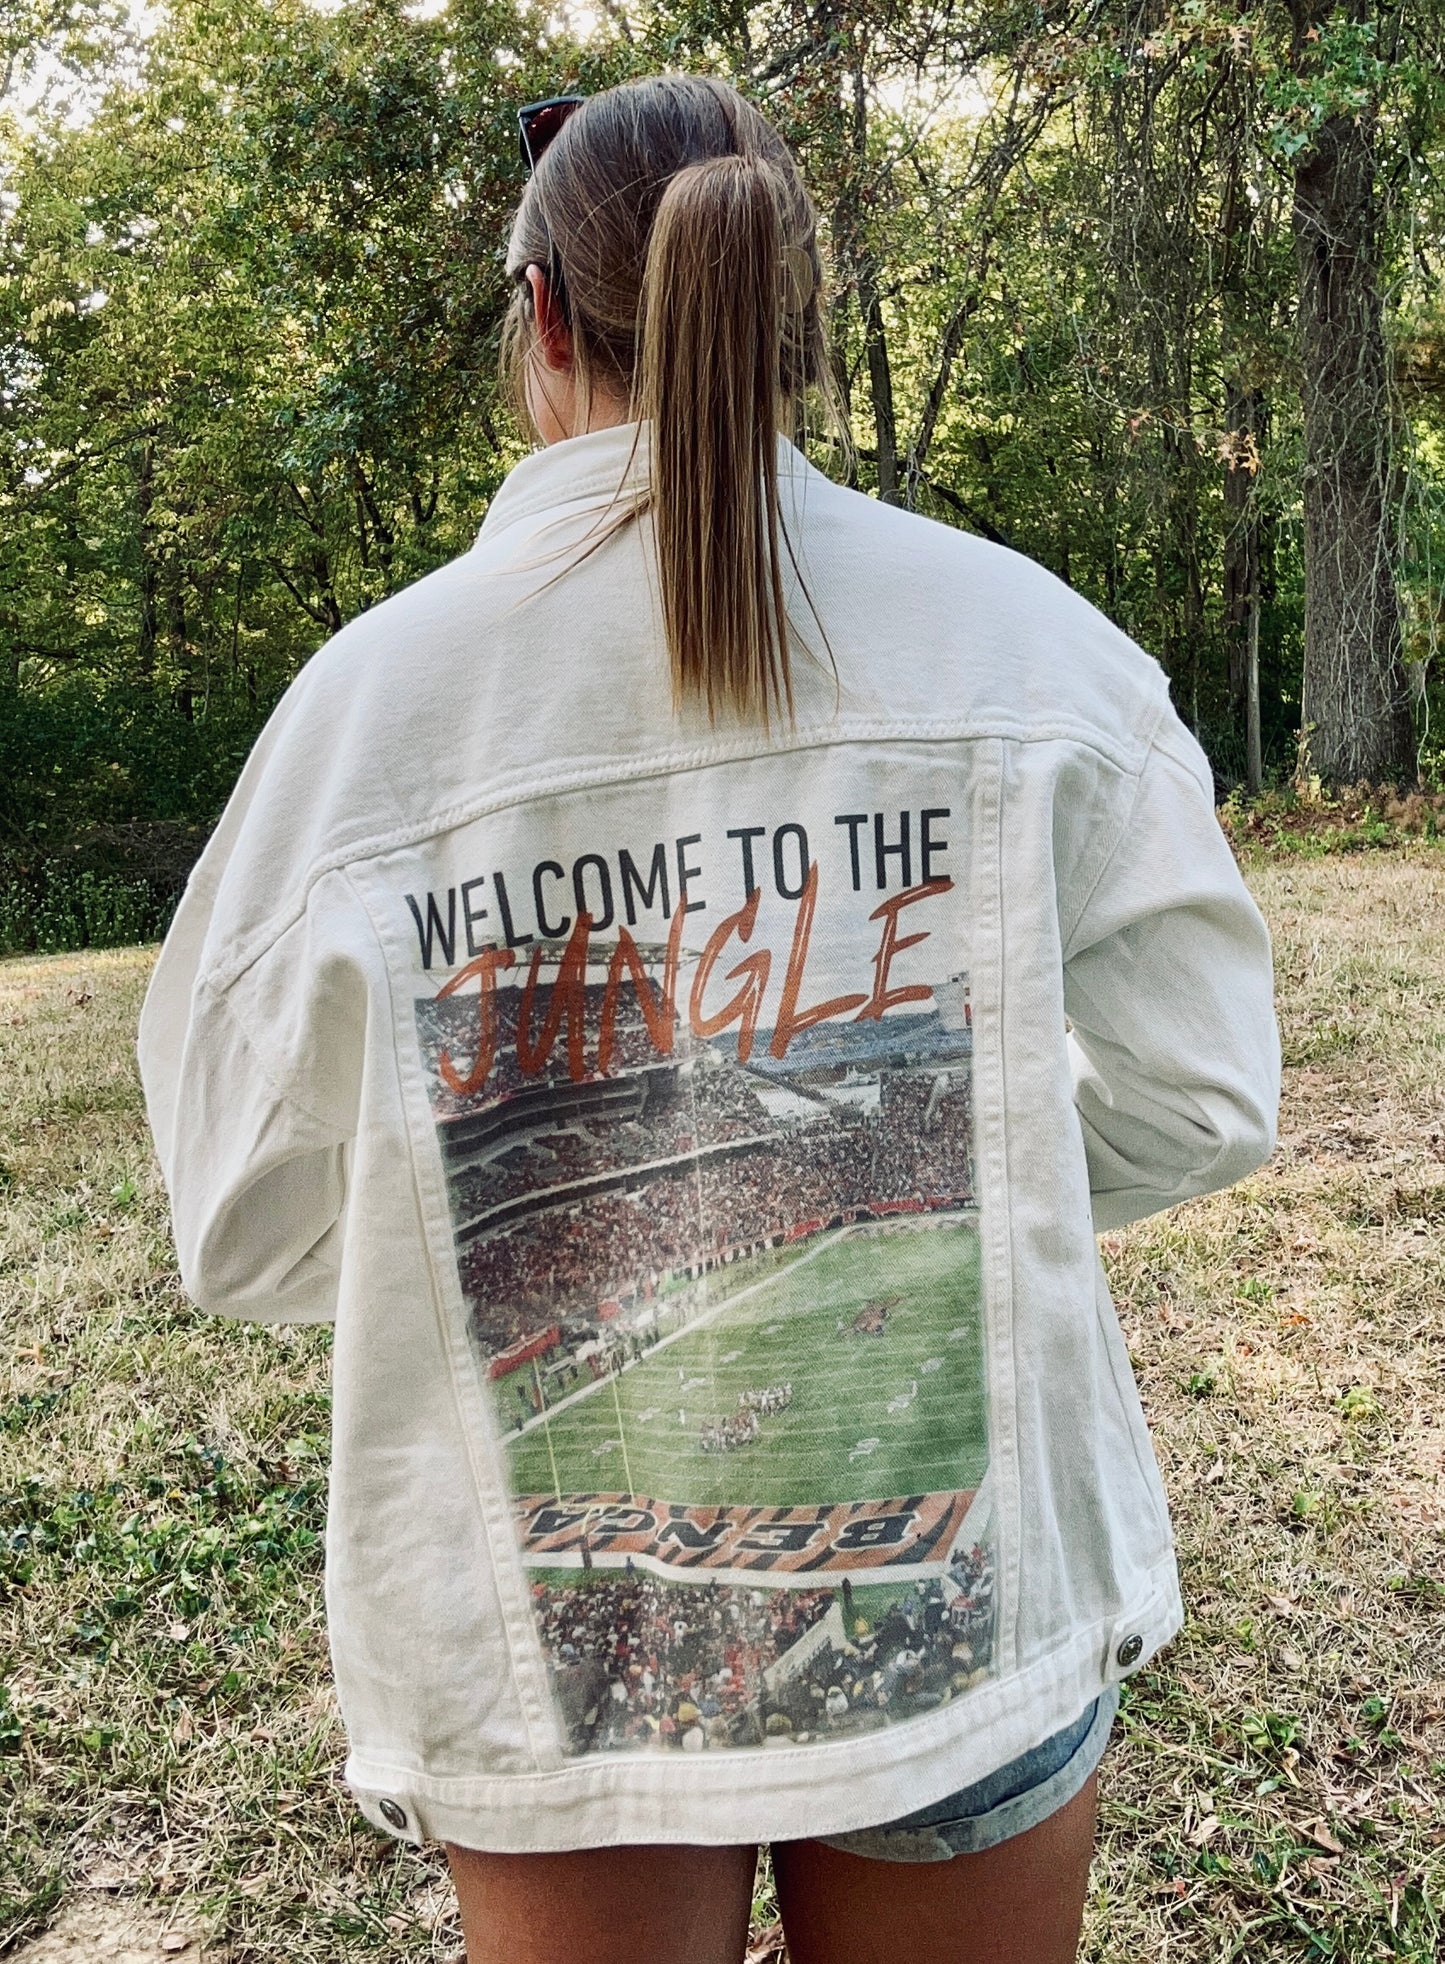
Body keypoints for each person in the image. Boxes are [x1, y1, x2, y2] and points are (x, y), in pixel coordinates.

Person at [137, 72, 1279, 1964]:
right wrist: (954, 1166)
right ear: (797, 323)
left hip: (548, 1668)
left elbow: (240, 1221)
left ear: (539, 323)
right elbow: (1202, 1101)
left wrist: (541, 1223)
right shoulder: (1028, 645)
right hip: (978, 1628)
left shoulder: (367, 716)